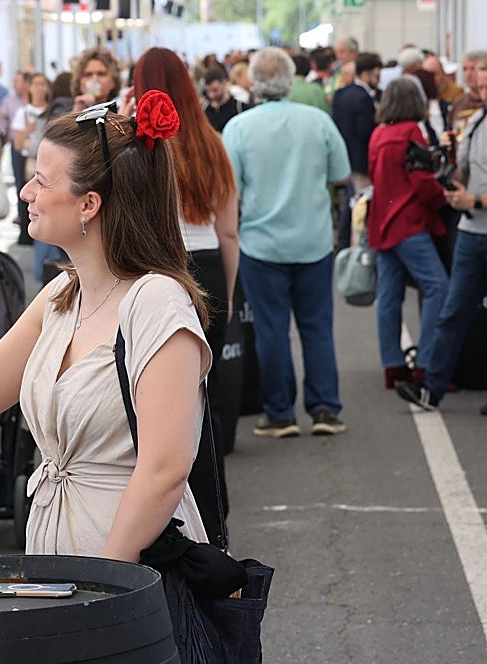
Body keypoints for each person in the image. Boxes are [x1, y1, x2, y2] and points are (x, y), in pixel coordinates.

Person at [0, 92, 211, 562]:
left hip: (129, 576)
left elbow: (165, 470)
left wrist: (110, 584)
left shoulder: (156, 301)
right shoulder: (61, 294)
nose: (26, 193)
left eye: (39, 180)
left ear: (89, 203)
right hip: (55, 562)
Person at [131, 47, 238, 547]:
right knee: (206, 391)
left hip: (160, 271)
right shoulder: (212, 143)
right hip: (211, 266)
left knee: (162, 396)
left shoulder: (137, 140)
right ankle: (212, 507)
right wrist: (230, 295)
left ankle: (171, 504)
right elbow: (229, 231)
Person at [222, 48, 351, 438]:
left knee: (271, 330)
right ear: (291, 78)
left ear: (254, 82)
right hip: (313, 240)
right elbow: (341, 174)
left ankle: (279, 413)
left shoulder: (239, 128)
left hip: (262, 245)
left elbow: (232, 190)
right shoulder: (318, 121)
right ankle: (325, 407)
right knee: (317, 327)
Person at [397, 55, 487, 413]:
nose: (478, 89)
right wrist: (447, 168)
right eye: (477, 84)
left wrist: (474, 199)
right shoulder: (476, 121)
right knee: (452, 311)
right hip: (470, 232)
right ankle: (430, 389)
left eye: (482, 83)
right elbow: (461, 171)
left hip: (475, 220)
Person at [366, 79, 449, 393]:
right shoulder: (411, 132)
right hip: (409, 222)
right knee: (438, 287)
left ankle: (392, 365)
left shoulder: (378, 134)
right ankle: (427, 362)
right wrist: (442, 198)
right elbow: (423, 181)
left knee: (389, 296)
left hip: (383, 221)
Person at [331, 52, 383, 249]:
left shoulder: (342, 93)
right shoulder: (364, 98)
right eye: (376, 75)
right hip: (361, 159)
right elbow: (364, 132)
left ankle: (344, 241)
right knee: (359, 202)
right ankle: (353, 243)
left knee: (350, 200)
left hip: (346, 155)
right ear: (366, 74)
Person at [12, 72, 52, 247]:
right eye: (36, 84)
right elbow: (18, 144)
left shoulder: (52, 110)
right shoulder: (23, 112)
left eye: (43, 84)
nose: (40, 88)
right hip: (30, 160)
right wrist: (28, 130)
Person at [201, 64, 243, 133]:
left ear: (224, 83)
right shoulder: (205, 110)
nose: (211, 95)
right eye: (208, 91)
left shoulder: (239, 108)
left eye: (215, 90)